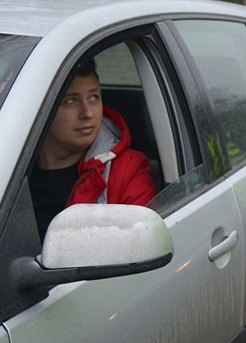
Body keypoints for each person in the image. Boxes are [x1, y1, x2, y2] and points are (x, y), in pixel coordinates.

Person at [29, 59, 157, 238]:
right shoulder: (7, 165)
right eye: (71, 101)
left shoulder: (127, 170)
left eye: (94, 97)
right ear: (41, 109)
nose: (87, 113)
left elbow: (141, 242)